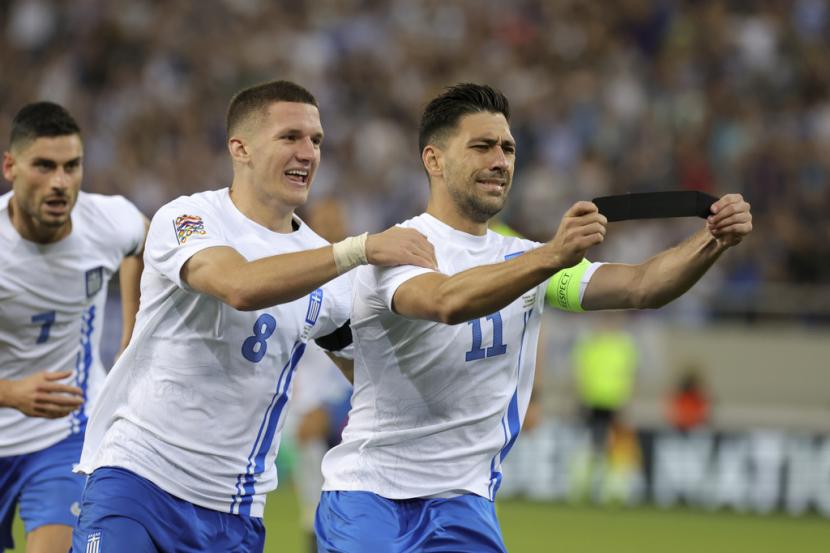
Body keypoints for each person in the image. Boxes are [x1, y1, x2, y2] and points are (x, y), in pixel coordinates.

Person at [316, 83, 753, 552]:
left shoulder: (527, 258)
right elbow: (447, 302)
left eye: (508, 148)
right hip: (370, 495)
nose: (500, 161)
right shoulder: (399, 248)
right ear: (434, 160)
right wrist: (550, 257)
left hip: (465, 502)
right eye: (481, 146)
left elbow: (642, 285)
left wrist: (713, 239)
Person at [69, 80, 436, 553]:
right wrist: (358, 250)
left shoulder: (324, 266)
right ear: (239, 148)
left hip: (234, 511)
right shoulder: (188, 218)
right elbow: (238, 286)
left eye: (316, 141)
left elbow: (371, 378)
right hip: (138, 480)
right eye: (290, 137)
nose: (308, 153)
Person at [0, 102, 148, 553]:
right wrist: (11, 393)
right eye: (44, 166)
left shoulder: (108, 220)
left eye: (72, 166)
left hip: (65, 436)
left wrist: (132, 329)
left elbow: (145, 246)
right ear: (11, 167)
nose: (60, 183)